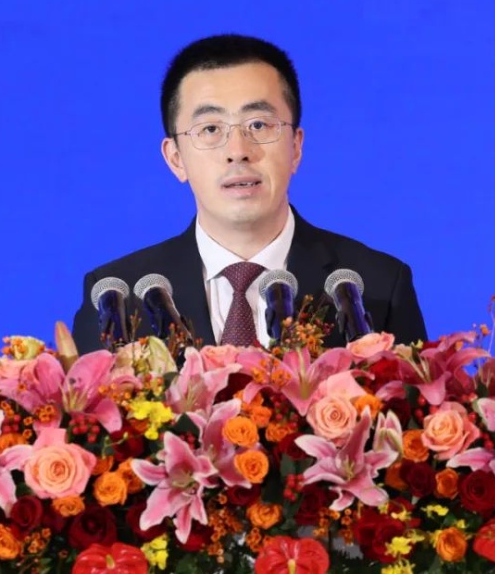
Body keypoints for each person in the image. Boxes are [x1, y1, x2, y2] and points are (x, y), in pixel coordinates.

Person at [71, 34, 428, 353]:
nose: (238, 150)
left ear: (296, 147)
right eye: (210, 129)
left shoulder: (376, 284)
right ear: (175, 158)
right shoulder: (116, 296)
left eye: (258, 124)